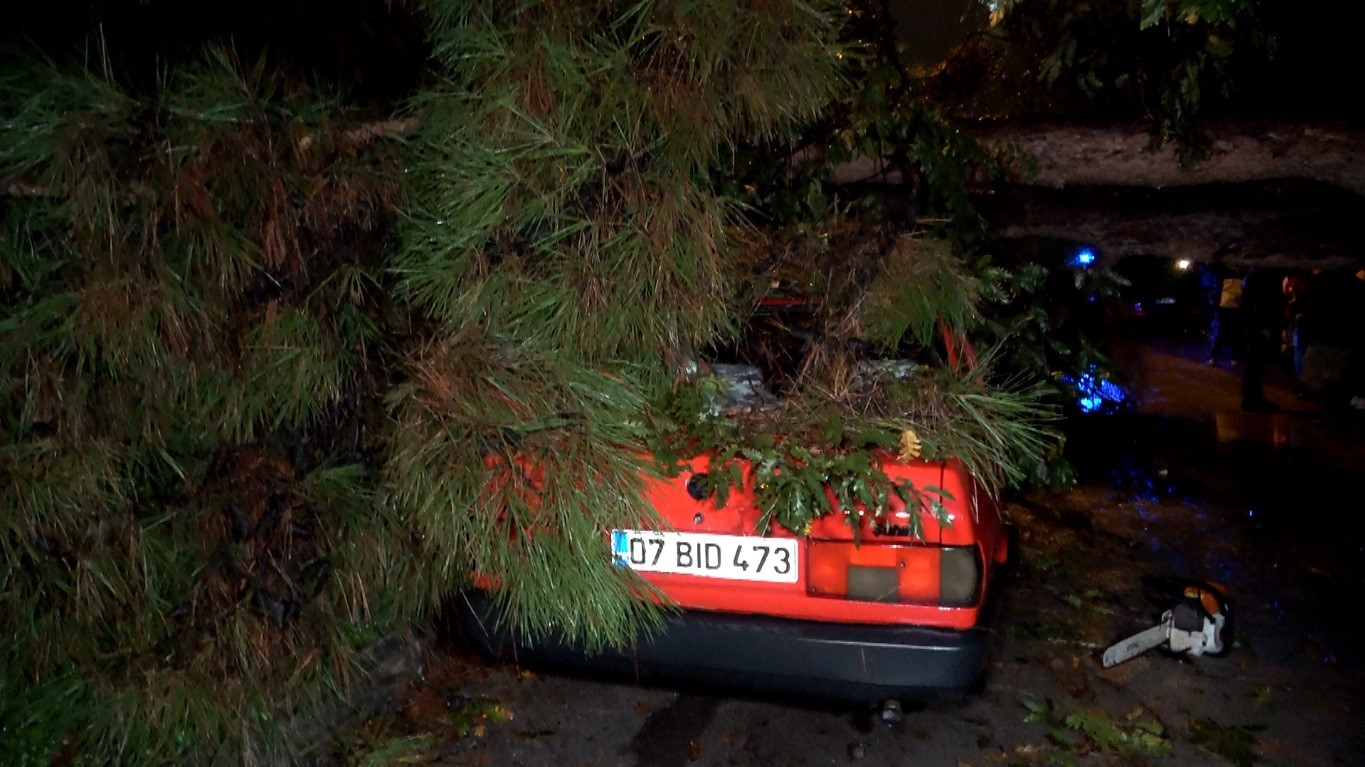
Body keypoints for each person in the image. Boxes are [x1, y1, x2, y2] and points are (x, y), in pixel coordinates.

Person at [1239, 266, 1286, 412]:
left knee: (1256, 362)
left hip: (1257, 323)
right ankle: (1253, 399)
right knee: (1257, 361)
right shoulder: (1265, 274)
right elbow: (1264, 301)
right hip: (1260, 324)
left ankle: (1252, 398)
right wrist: (1264, 325)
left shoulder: (1256, 273)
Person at [1206, 265, 1243, 365]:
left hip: (1232, 307)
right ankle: (1214, 357)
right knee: (1226, 332)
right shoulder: (1225, 272)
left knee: (1233, 333)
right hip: (1227, 307)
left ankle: (1229, 358)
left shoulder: (1236, 273)